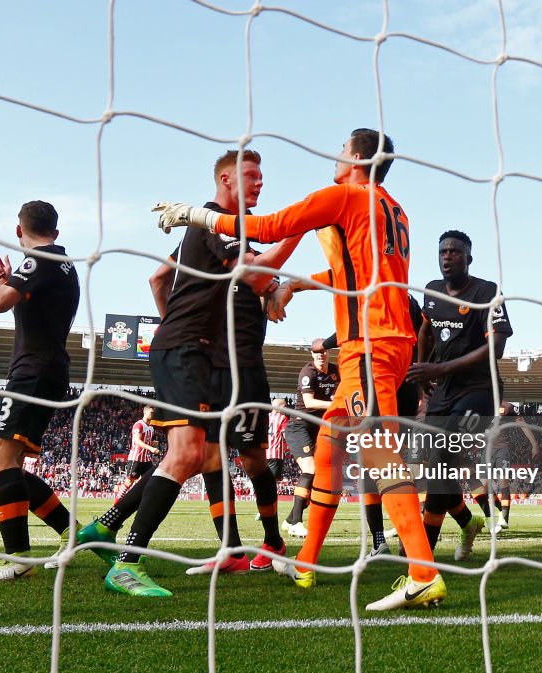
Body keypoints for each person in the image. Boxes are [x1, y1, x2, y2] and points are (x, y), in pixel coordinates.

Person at [155, 128, 443, 610]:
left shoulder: (345, 196)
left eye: (340, 150)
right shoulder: (395, 209)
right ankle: (306, 563)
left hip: (369, 344)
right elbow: (358, 274)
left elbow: (267, 227)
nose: (334, 156)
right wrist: (297, 287)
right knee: (330, 447)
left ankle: (422, 572)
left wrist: (193, 214)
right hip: (385, 343)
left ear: (355, 157)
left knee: (377, 451)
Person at [92, 149, 300, 597]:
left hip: (198, 353)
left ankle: (229, 549)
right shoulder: (212, 220)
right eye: (251, 176)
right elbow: (259, 278)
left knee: (204, 457)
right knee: (188, 455)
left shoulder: (212, 228)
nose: (260, 183)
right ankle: (127, 561)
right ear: (226, 180)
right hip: (192, 353)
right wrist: (301, 227)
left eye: (262, 176)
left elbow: (158, 279)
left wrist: (177, 328)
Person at [0, 200, 81, 584]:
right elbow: (21, 296)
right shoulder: (60, 263)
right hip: (46, 370)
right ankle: (71, 532)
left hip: (34, 371)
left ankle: (17, 558)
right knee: (7, 462)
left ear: (19, 231)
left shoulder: (41, 261)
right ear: (57, 231)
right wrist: (7, 277)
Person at [408, 230, 513, 561]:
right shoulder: (432, 291)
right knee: (439, 468)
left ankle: (421, 556)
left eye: (455, 251)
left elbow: (496, 346)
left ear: (469, 257)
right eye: (442, 252)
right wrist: (423, 368)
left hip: (479, 392)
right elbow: (425, 327)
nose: (447, 256)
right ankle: (468, 523)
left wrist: (438, 370)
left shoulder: (487, 293)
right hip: (443, 393)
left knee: (442, 460)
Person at [315, 292, 424, 558]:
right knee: (396, 463)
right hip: (406, 383)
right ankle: (413, 543)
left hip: (379, 380)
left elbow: (356, 326)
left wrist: (325, 343)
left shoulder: (371, 289)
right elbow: (422, 333)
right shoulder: (409, 299)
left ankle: (391, 544)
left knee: (374, 464)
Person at [281, 346, 339, 539]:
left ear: (328, 353)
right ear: (312, 355)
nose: (320, 356)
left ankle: (290, 519)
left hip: (318, 429)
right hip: (299, 427)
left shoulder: (335, 371)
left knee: (319, 476)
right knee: (310, 470)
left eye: (323, 352)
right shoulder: (308, 372)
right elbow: (309, 403)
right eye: (316, 353)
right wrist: (336, 404)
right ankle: (296, 522)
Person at [484, 401, 539, 532]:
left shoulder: (508, 407)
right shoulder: (481, 403)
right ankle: (501, 507)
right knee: (483, 486)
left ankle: (504, 518)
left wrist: (534, 444)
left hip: (502, 449)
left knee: (503, 482)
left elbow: (523, 425)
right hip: (486, 450)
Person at [114, 406, 160, 501]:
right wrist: (151, 448)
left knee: (150, 480)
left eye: (153, 413)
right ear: (145, 413)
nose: (153, 414)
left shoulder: (151, 427)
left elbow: (144, 441)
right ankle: (117, 501)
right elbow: (137, 441)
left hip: (146, 459)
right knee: (129, 481)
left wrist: (152, 443)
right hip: (136, 458)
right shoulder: (139, 425)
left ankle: (143, 501)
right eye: (151, 413)